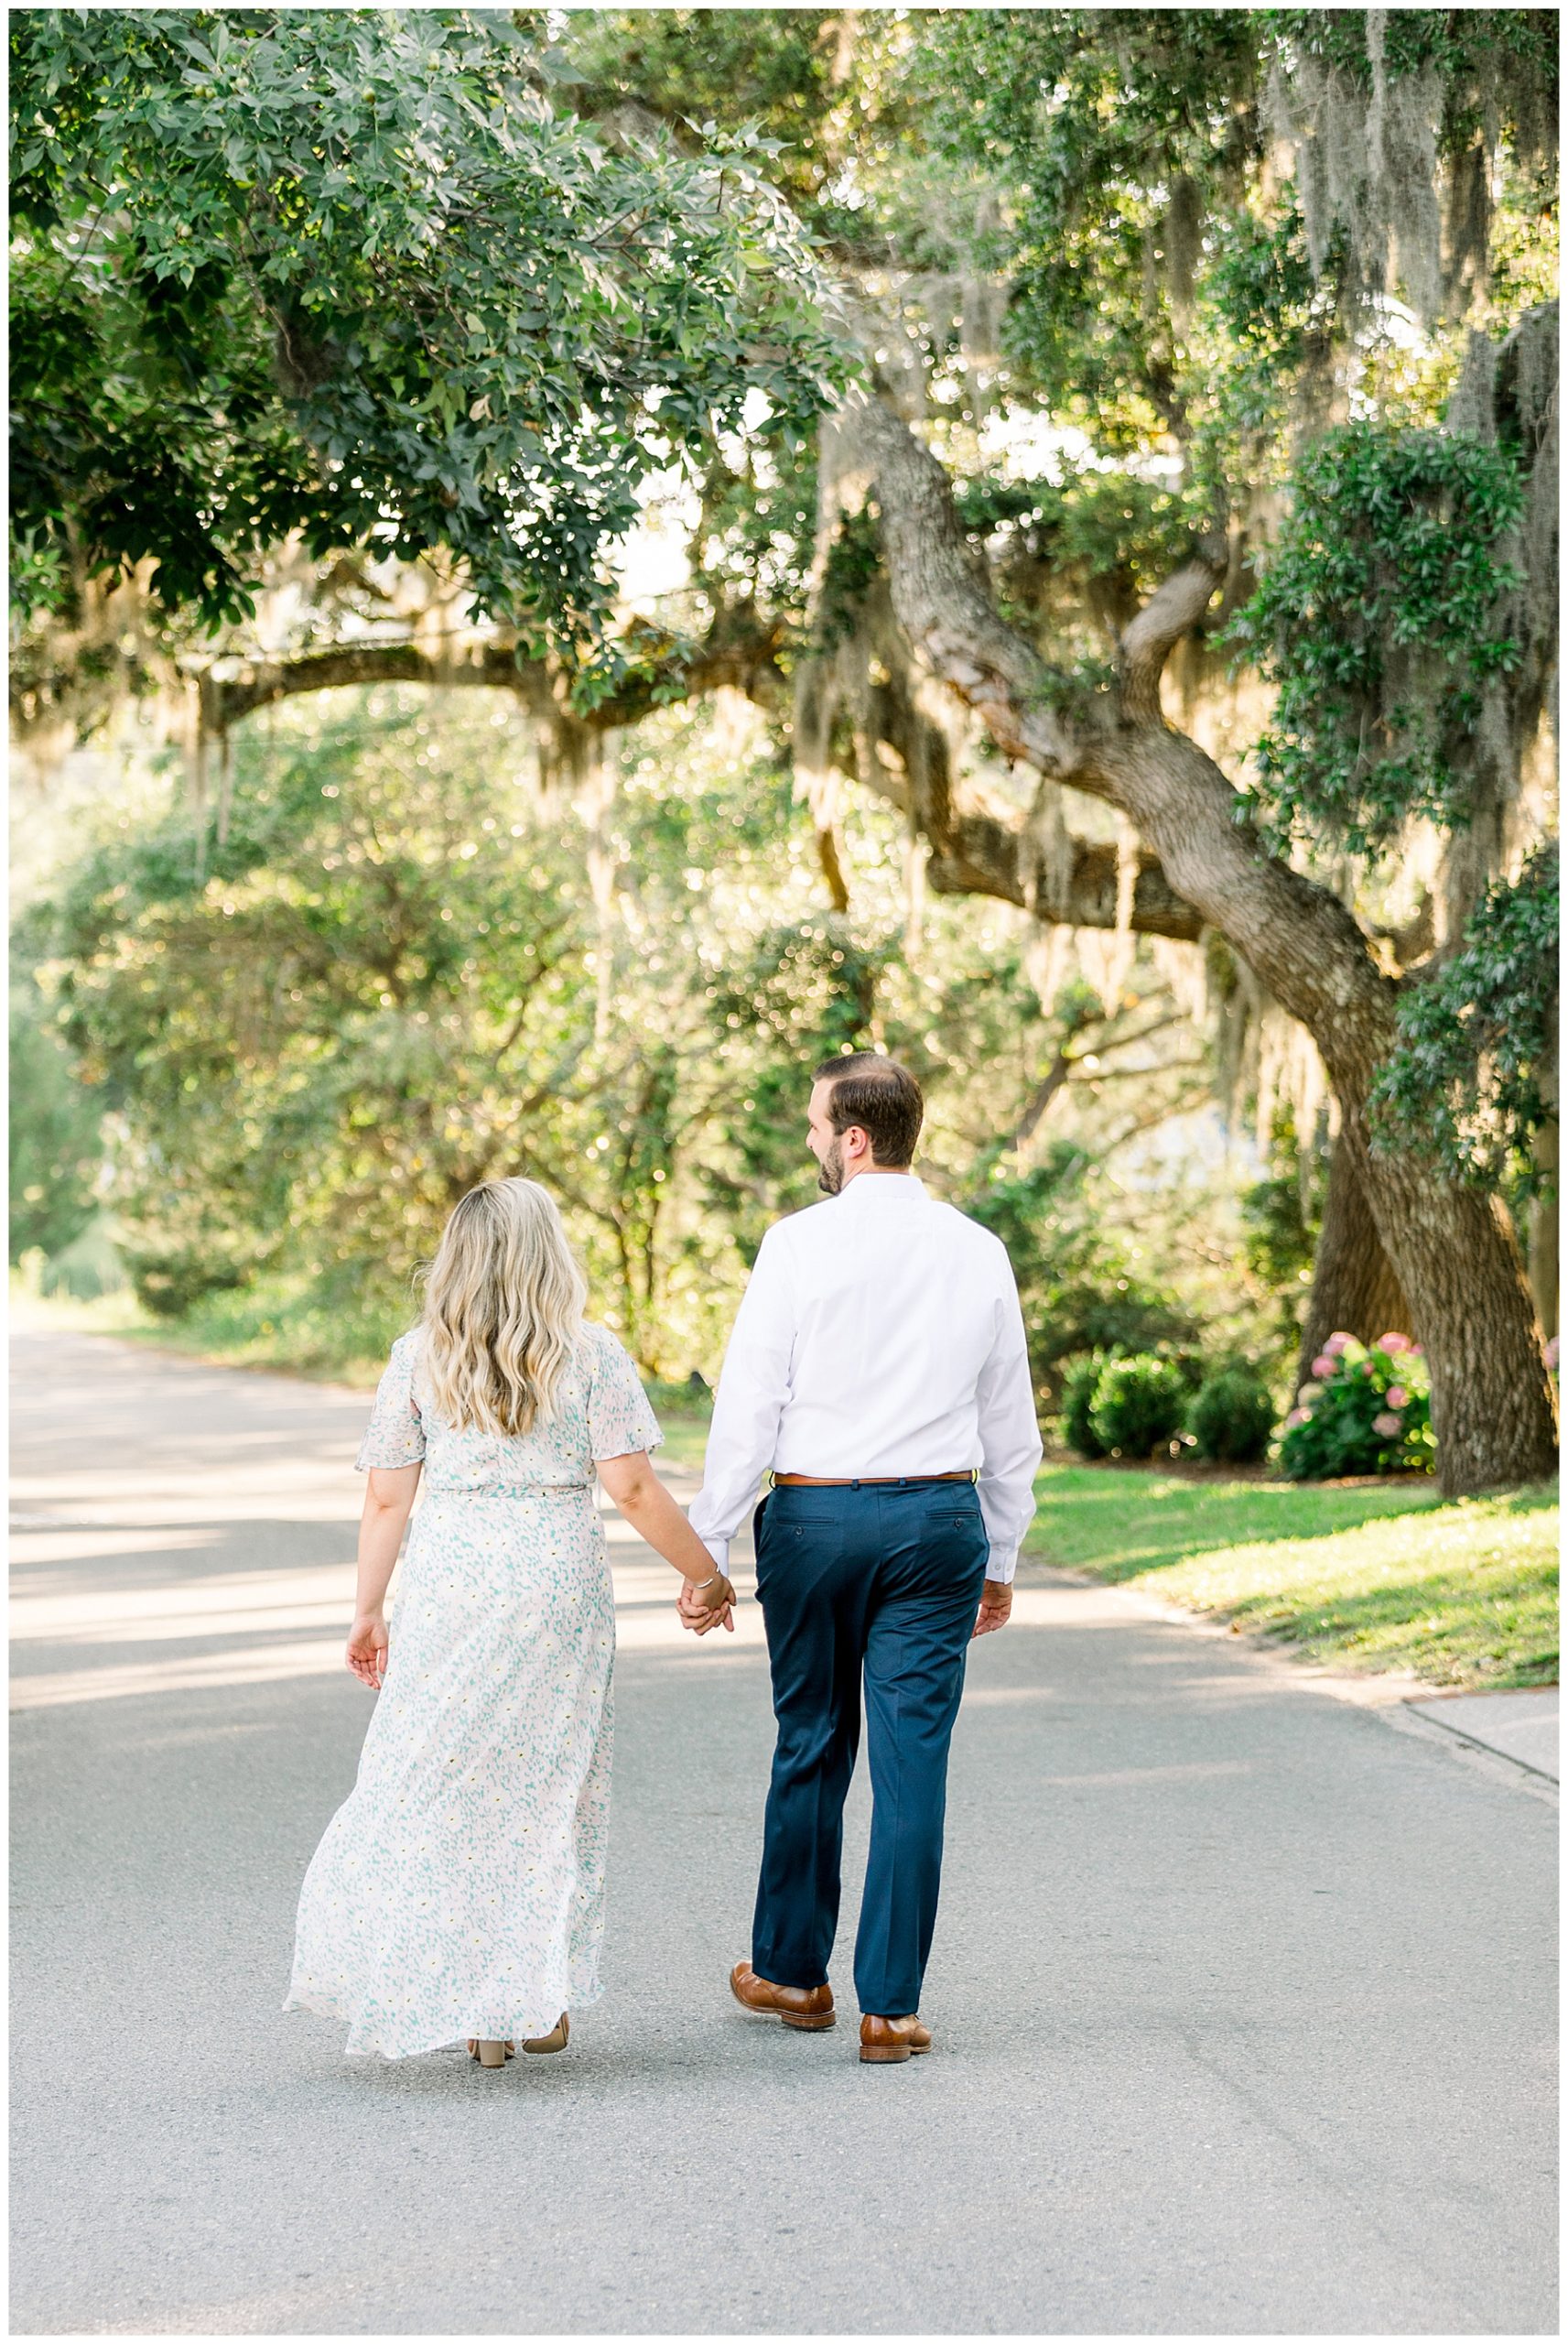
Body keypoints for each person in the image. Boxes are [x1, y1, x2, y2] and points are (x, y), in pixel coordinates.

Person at [283, 1177, 731, 2066]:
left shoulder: (419, 1356)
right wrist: (706, 1575)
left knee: (446, 1784)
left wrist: (368, 1611)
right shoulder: (591, 1353)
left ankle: (475, 2002)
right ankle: (530, 1996)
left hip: (451, 1586)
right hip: (554, 1590)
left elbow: (385, 1499)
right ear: (549, 1256)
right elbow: (633, 1488)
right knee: (548, 1788)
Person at [683, 1053, 1042, 2064]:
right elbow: (1010, 1423)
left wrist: (708, 1547)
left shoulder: (795, 1244)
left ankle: (793, 1976)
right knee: (911, 1762)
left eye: (813, 1126)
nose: (807, 1142)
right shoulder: (978, 1249)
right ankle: (892, 2006)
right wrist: (1002, 1555)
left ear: (853, 1137)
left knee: (811, 1741)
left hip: (813, 1520)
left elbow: (751, 1402)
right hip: (938, 1526)